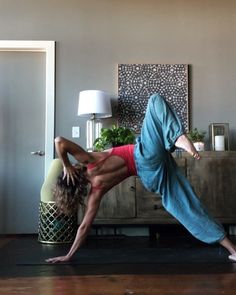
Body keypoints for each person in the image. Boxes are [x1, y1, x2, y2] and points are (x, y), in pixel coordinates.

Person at [46, 93, 236, 263]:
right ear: (69, 174)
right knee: (154, 100)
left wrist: (69, 255)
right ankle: (177, 137)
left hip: (150, 177)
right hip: (145, 157)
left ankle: (233, 250)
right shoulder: (88, 160)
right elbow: (59, 141)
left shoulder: (96, 191)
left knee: (186, 207)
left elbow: (85, 226)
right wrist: (66, 164)